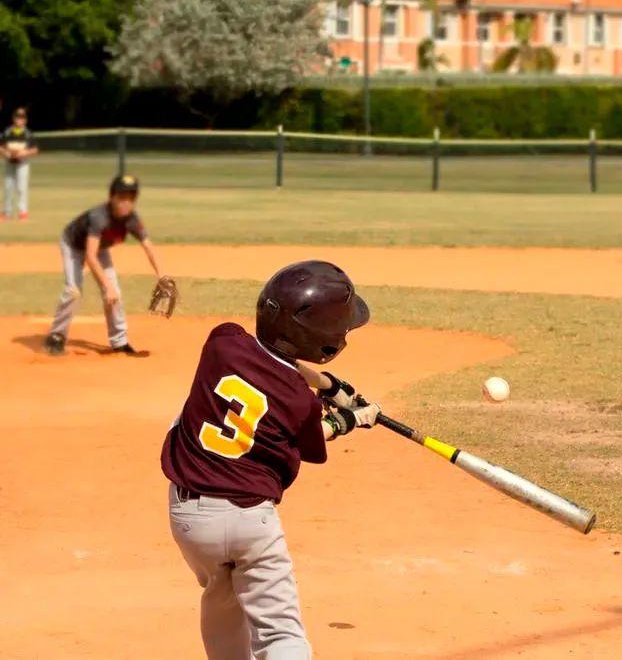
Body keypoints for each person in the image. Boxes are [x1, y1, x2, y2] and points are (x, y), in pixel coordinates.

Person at [161, 260, 382, 660]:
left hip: (190, 521)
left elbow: (271, 362)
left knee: (221, 599)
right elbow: (316, 437)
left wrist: (330, 385)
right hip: (250, 521)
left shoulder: (223, 342)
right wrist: (351, 418)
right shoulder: (299, 403)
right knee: (280, 634)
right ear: (325, 341)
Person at [43, 175, 164, 357]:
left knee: (115, 293)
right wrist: (106, 287)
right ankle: (56, 335)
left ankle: (120, 342)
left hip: (100, 248)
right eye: (121, 197)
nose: (126, 203)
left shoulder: (131, 219)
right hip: (74, 245)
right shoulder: (99, 216)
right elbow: (90, 256)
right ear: (112, 197)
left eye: (131, 198)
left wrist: (161, 275)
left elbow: (148, 246)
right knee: (73, 291)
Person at [2, 107, 38, 221]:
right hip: (9, 162)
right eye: (17, 117)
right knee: (8, 187)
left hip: (23, 163)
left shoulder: (28, 134)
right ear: (14, 118)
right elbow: (1, 147)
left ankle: (23, 212)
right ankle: (7, 213)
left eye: (22, 118)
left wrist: (24, 153)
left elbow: (35, 149)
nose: (19, 120)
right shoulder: (7, 132)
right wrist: (6, 153)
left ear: (25, 120)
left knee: (22, 188)